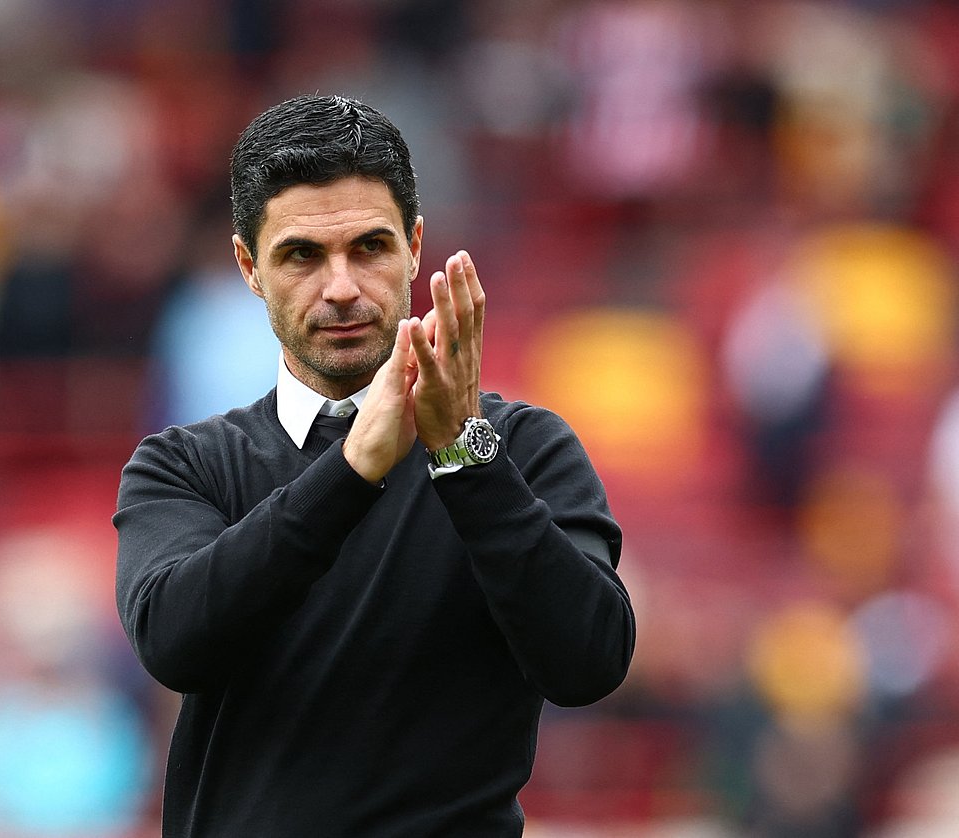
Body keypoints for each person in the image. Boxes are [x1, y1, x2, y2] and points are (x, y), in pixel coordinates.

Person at [114, 94, 635, 837]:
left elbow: (589, 662)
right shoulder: (184, 466)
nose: (342, 288)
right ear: (247, 266)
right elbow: (175, 642)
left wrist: (463, 450)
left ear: (415, 245)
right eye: (302, 255)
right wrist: (354, 468)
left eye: (370, 247)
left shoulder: (518, 447)